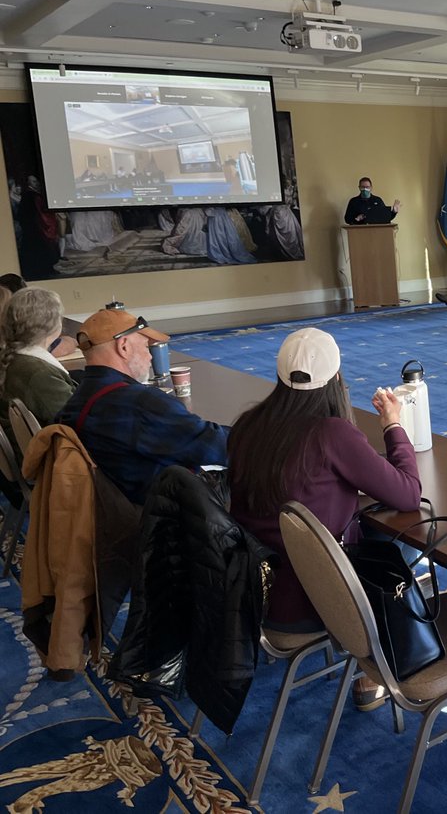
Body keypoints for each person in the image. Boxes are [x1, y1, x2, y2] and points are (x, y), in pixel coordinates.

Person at [229, 328, 421, 712]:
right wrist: (393, 426)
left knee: (371, 529)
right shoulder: (332, 433)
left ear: (281, 375)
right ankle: (377, 668)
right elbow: (408, 493)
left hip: (254, 593)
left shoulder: (247, 425)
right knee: (391, 542)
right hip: (319, 601)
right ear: (337, 379)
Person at [57, 307, 228, 505]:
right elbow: (215, 446)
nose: (150, 357)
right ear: (124, 347)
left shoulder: (76, 400)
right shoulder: (140, 403)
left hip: (116, 507)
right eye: (146, 347)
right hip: (170, 513)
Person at [0, 288, 76, 445]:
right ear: (55, 325)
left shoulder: (15, 360)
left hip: (31, 454)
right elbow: (77, 425)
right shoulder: (39, 374)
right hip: (53, 461)